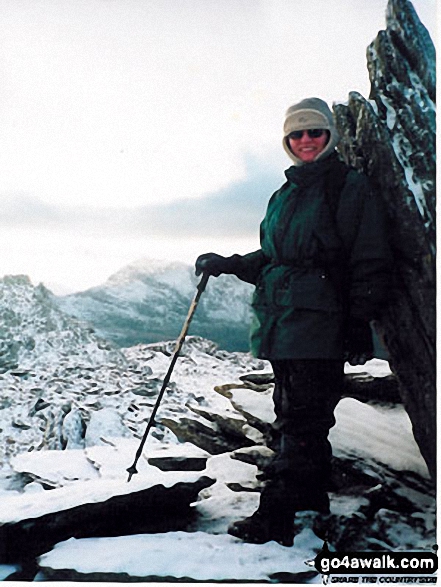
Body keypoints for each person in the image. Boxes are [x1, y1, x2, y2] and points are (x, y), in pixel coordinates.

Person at [195, 97, 391, 547]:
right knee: (296, 414)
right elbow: (276, 256)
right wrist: (230, 263)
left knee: (300, 422)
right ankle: (310, 497)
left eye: (315, 132)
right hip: (283, 323)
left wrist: (359, 321)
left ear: (330, 137)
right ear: (287, 141)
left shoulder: (348, 186)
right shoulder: (285, 193)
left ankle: (275, 517)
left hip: (321, 323)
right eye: (297, 134)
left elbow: (370, 256)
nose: (306, 140)